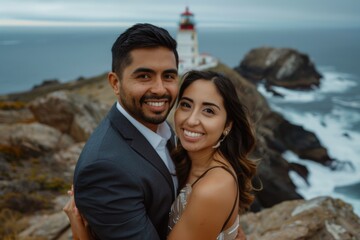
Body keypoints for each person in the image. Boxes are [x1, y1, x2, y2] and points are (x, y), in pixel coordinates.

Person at [65, 70, 257, 239]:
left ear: (228, 125)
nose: (191, 120)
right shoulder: (178, 153)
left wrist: (80, 233)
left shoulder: (212, 189)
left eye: (208, 111)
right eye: (186, 105)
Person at [70, 23, 180, 240]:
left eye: (168, 76)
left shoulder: (165, 131)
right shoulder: (103, 169)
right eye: (144, 76)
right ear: (115, 83)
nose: (160, 89)